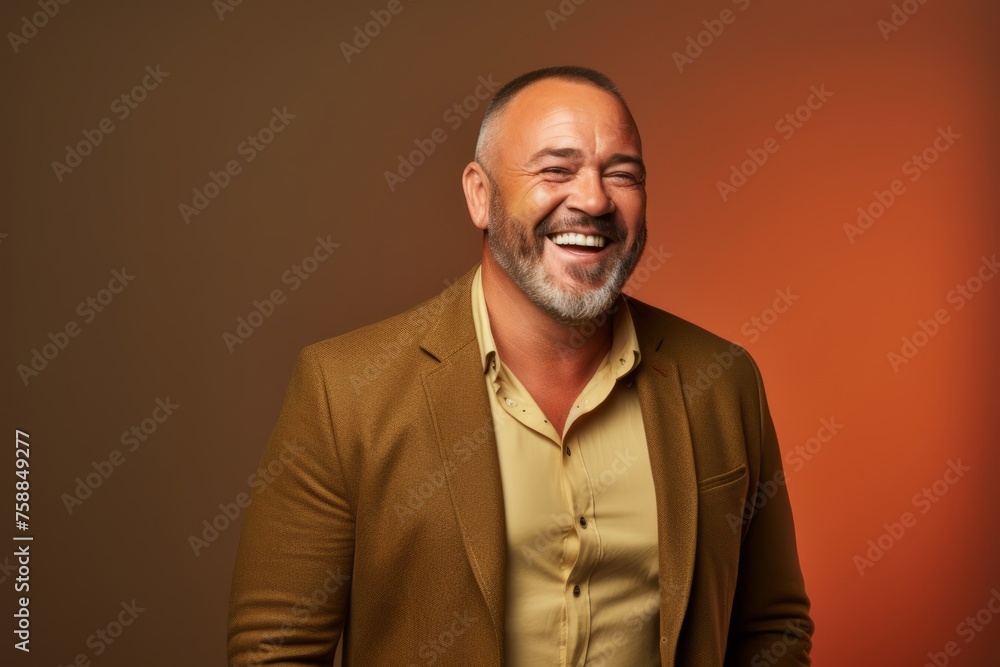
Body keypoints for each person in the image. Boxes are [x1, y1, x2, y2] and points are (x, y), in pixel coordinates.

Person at [227, 65, 814, 666]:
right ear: (480, 195)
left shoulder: (721, 381)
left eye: (622, 174)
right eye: (556, 169)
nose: (593, 199)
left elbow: (771, 628)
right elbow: (276, 652)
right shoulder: (344, 390)